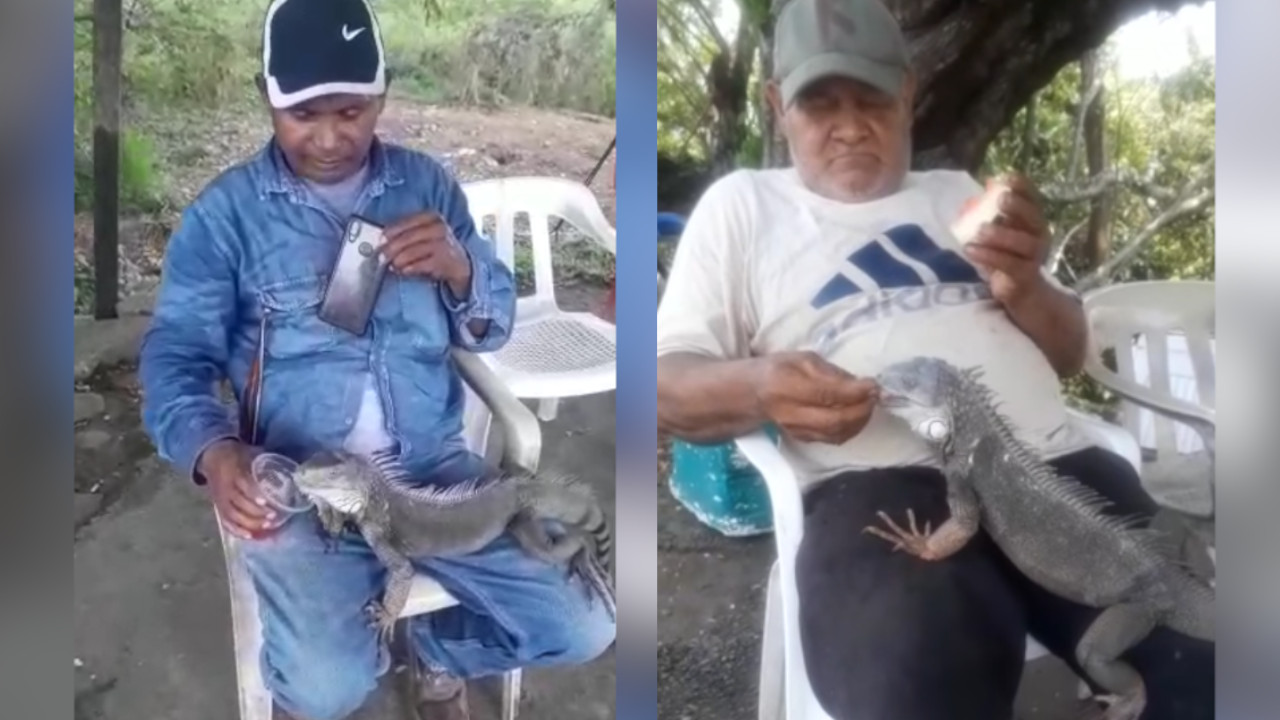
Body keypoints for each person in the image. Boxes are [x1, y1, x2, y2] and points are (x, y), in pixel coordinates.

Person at [655, 0, 1213, 718]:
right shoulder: (741, 207)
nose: (850, 126)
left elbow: (1071, 352)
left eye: (872, 99)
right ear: (776, 106)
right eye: (820, 103)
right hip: (878, 487)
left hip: (1057, 471)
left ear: (909, 93)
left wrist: (1026, 285)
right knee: (917, 680)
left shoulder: (958, 192)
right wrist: (762, 388)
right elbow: (663, 385)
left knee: (1214, 674)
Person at [138, 1, 614, 718]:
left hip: (433, 472)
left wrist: (461, 270)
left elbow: (490, 330)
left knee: (584, 625)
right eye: (304, 114)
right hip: (302, 484)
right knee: (327, 689)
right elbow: (176, 352)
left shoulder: (428, 188)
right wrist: (214, 450)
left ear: (383, 96)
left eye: (352, 111)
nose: (331, 137)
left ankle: (436, 652)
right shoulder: (225, 217)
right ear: (266, 97)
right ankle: (343, 660)